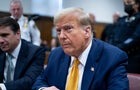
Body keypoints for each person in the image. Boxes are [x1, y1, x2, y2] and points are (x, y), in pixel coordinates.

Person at [32, 7, 129, 90]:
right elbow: (41, 80)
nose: (61, 36)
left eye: (68, 29)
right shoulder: (56, 54)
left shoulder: (112, 58)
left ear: (87, 31)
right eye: (58, 31)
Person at [0, 17, 46, 90]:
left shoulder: (35, 52)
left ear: (18, 34)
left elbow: (29, 81)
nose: (0, 40)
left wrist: (2, 87)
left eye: (4, 35)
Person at [108, 0, 140, 73]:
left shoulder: (138, 19)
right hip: (116, 56)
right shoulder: (121, 20)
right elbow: (112, 34)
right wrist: (110, 46)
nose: (126, 5)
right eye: (124, 3)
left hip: (132, 58)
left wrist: (119, 47)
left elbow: (135, 37)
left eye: (128, 2)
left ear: (137, 4)